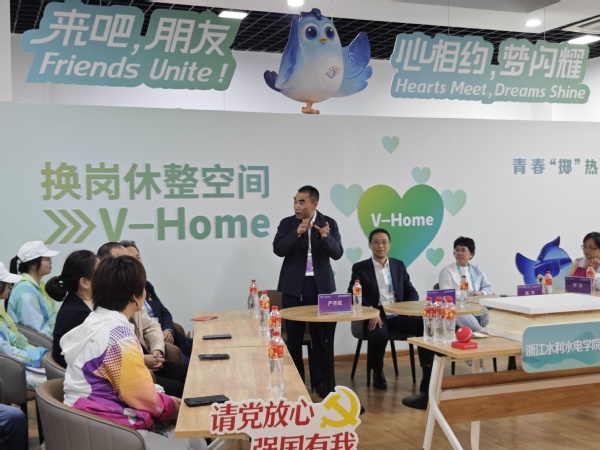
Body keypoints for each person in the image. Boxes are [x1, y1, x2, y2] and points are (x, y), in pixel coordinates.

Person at [61, 256, 208, 449]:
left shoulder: (95, 321)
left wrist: (163, 398)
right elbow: (143, 397)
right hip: (109, 427)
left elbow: (135, 388)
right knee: (194, 439)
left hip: (86, 419)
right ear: (134, 295)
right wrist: (173, 406)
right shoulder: (119, 337)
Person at [348, 229, 434, 409]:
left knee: (424, 326)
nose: (380, 245)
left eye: (384, 242)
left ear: (389, 245)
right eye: (376, 242)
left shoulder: (398, 265)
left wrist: (409, 307)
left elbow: (410, 289)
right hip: (377, 312)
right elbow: (353, 295)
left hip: (397, 312)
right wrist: (372, 312)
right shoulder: (360, 267)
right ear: (370, 245)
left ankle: (427, 374)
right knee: (379, 334)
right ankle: (377, 371)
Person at [273, 185, 343, 398]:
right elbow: (278, 249)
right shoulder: (287, 224)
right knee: (293, 340)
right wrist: (297, 233)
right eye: (295, 201)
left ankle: (321, 383)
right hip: (294, 287)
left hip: (320, 287)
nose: (297, 206)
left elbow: (337, 253)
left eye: (302, 202)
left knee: (320, 339)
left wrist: (326, 237)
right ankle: (296, 384)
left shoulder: (328, 223)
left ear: (314, 203)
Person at [97, 242, 188, 397]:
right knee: (180, 388)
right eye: (123, 261)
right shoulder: (114, 327)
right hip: (129, 379)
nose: (131, 264)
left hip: (147, 362)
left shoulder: (128, 303)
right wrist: (143, 360)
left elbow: (152, 325)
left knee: (191, 375)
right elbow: (130, 382)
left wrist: (157, 351)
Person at [119, 240, 193, 363]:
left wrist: (168, 329)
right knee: (187, 367)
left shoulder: (147, 285)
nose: (137, 262)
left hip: (170, 336)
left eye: (138, 257)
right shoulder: (124, 296)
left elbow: (165, 313)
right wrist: (158, 344)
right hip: (156, 346)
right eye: (131, 259)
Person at [46, 250, 100, 368]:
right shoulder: (79, 315)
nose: (106, 277)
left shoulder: (82, 303)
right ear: (84, 282)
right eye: (101, 273)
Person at [0, 262, 48, 389]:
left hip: (16, 364)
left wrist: (40, 353)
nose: (10, 286)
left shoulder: (1, 311)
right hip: (10, 370)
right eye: (7, 283)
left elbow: (17, 340)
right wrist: (37, 359)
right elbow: (7, 351)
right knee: (55, 380)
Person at [438, 236, 493, 331]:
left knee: (496, 320)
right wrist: (465, 295)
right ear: (454, 253)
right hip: (458, 308)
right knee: (477, 329)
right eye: (457, 250)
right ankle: (480, 333)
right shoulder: (447, 270)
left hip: (477, 307)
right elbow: (445, 294)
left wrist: (480, 293)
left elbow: (489, 289)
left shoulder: (477, 270)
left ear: (471, 254)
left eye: (463, 250)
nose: (459, 253)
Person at [7, 241, 60, 337]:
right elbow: (37, 333)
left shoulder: (39, 285)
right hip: (38, 345)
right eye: (47, 259)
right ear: (33, 264)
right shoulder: (25, 292)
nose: (50, 262)